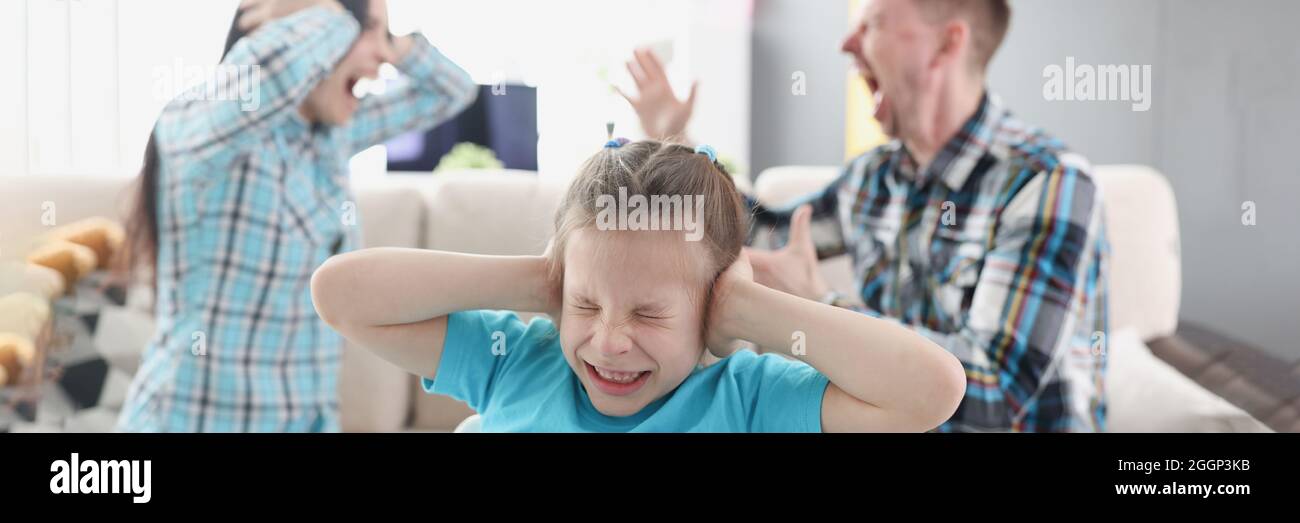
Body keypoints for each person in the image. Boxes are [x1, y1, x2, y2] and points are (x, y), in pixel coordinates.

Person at [620, 0, 1108, 432]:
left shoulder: (1047, 182)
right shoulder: (874, 176)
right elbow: (761, 235)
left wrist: (820, 305)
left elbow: (994, 396)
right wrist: (679, 140)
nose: (845, 43)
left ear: (945, 44)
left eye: (871, 24)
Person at [309, 139, 966, 432]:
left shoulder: (747, 399)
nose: (609, 340)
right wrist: (541, 280)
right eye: (586, 304)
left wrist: (744, 307)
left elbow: (933, 390)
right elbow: (338, 294)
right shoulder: (519, 363)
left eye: (650, 313)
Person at [117, 0, 477, 432]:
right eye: (368, 31)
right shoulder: (204, 125)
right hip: (195, 419)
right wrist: (328, 11)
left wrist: (386, 37)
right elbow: (277, 71)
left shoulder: (330, 136)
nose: (383, 55)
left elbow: (452, 89)